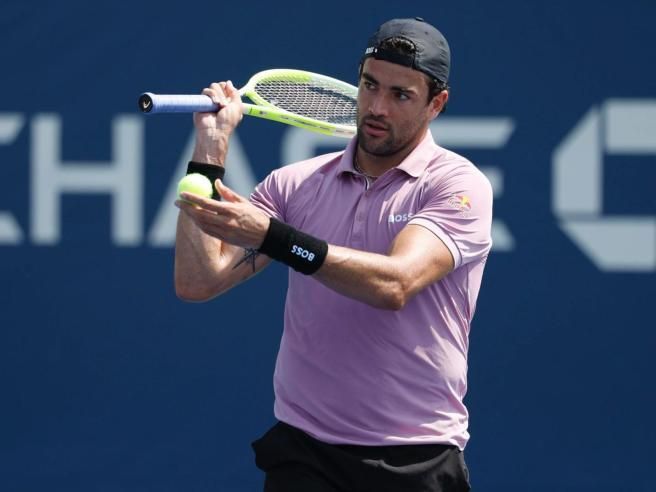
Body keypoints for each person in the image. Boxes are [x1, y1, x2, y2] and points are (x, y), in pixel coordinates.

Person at [174, 17, 492, 492]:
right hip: (305, 455)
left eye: (401, 95)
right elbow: (199, 282)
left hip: (416, 457)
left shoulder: (457, 186)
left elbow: (395, 284)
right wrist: (210, 149)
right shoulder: (295, 185)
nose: (377, 107)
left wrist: (277, 238)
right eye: (369, 85)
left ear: (436, 104)